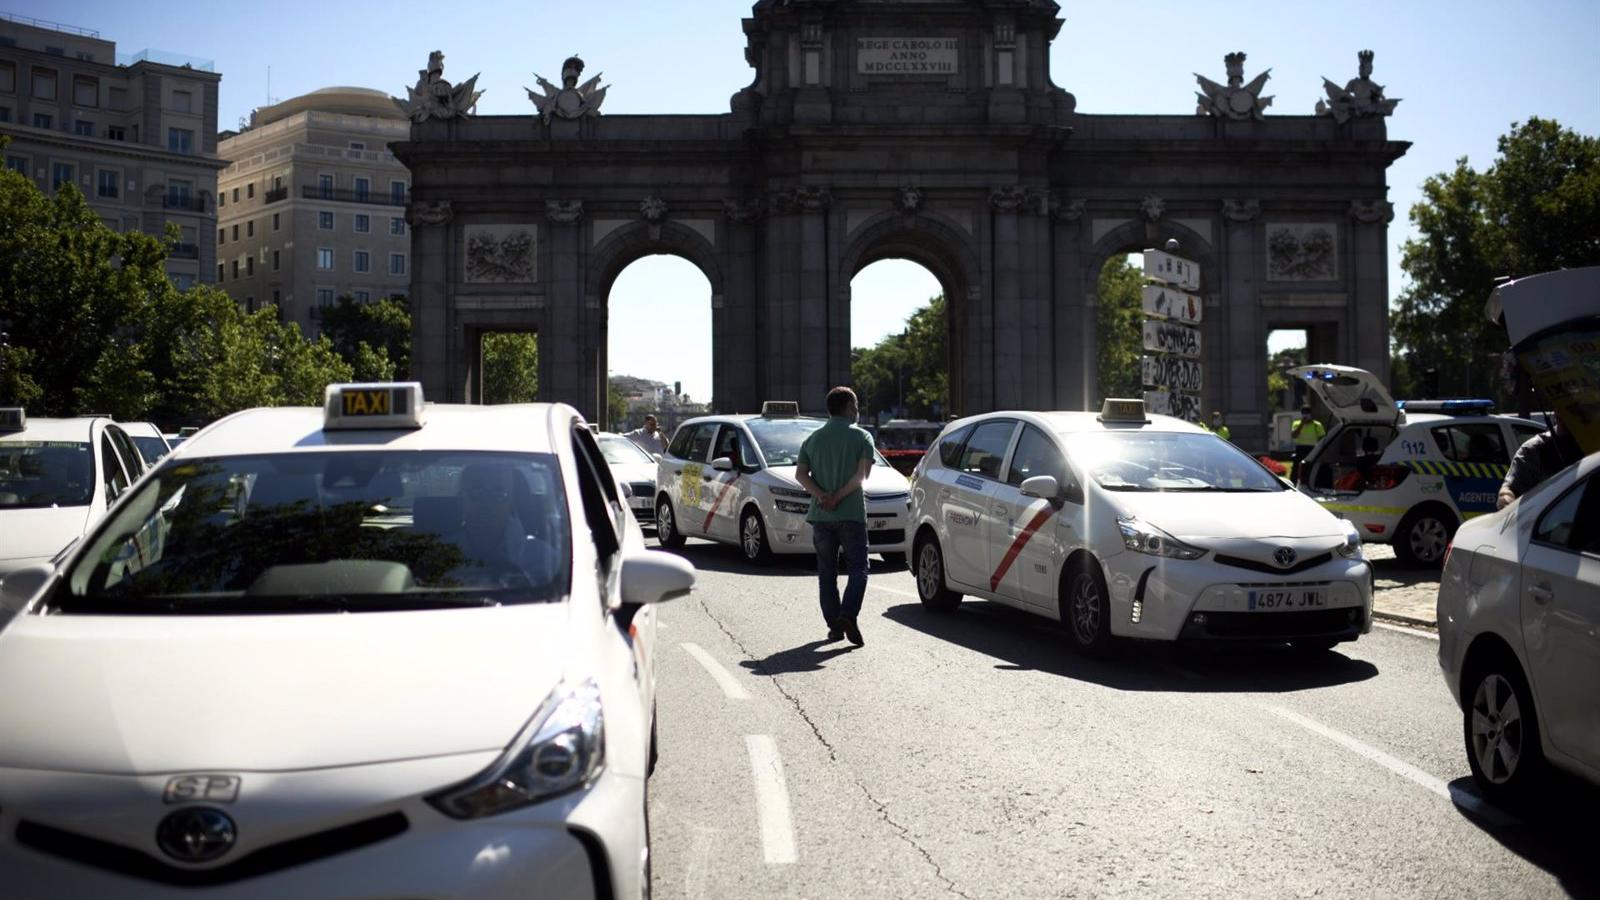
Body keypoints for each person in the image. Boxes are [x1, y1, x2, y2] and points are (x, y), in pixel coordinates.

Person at [795, 386, 875, 647]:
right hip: (851, 513)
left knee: (826, 573)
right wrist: (839, 496)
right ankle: (848, 615)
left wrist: (822, 496)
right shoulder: (862, 437)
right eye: (856, 406)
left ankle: (834, 627)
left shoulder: (813, 439)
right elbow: (862, 477)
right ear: (851, 407)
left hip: (821, 515)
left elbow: (801, 476)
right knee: (859, 568)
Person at [1497, 418, 1583, 509]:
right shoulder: (1534, 449)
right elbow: (1509, 490)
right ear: (1556, 413)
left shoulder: (1594, 446)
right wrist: (1506, 498)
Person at [1290, 406, 1325, 485]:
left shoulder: (1317, 425)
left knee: (1310, 468)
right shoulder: (1296, 423)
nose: (1305, 415)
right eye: (1304, 413)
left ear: (1311, 414)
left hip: (1312, 449)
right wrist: (1302, 424)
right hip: (1300, 448)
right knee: (1296, 468)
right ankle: (1293, 484)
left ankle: (1311, 483)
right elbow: (1294, 435)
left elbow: (1322, 438)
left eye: (1307, 413)